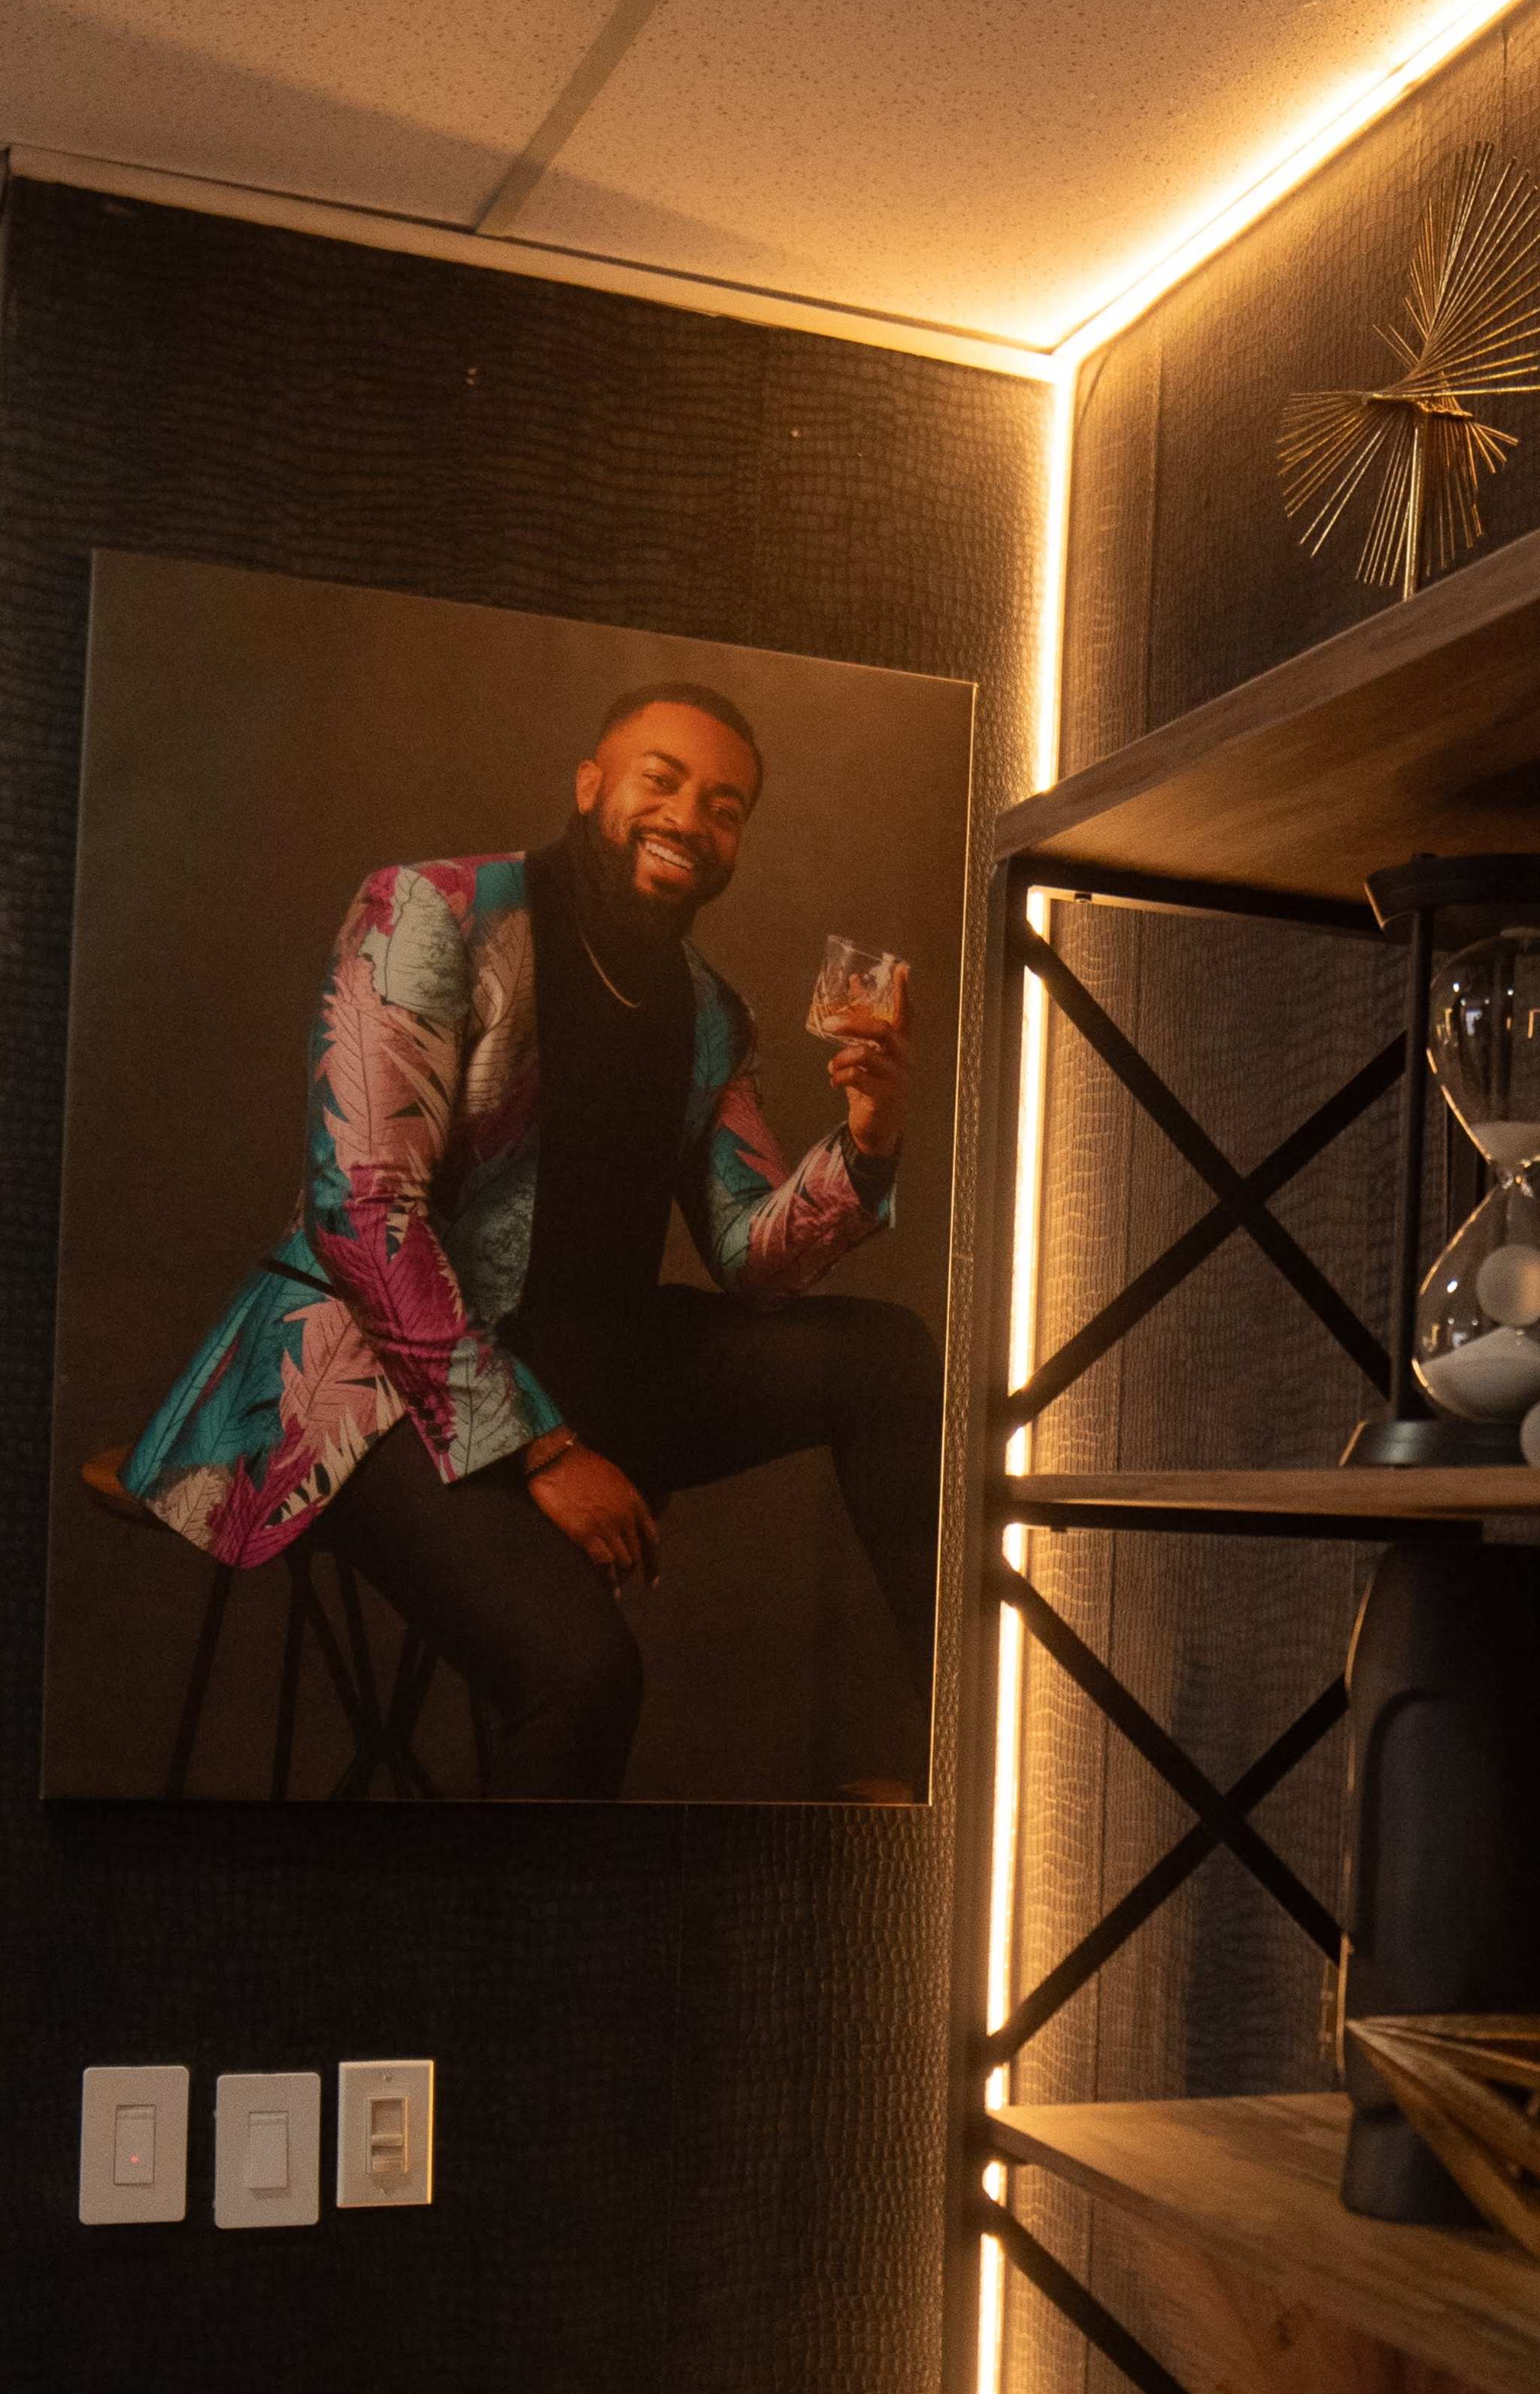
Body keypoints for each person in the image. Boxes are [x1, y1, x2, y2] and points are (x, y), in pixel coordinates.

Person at [122, 684, 941, 1796]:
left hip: (591, 1355)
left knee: (883, 1357)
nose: (691, 817)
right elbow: (362, 1215)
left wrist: (870, 1137)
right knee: (585, 1677)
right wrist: (545, 1451)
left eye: (726, 804)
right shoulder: (433, 912)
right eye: (662, 779)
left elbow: (751, 1254)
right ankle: (520, 1961)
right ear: (591, 784)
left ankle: (959, 1759)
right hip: (377, 1378)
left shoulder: (709, 1008)